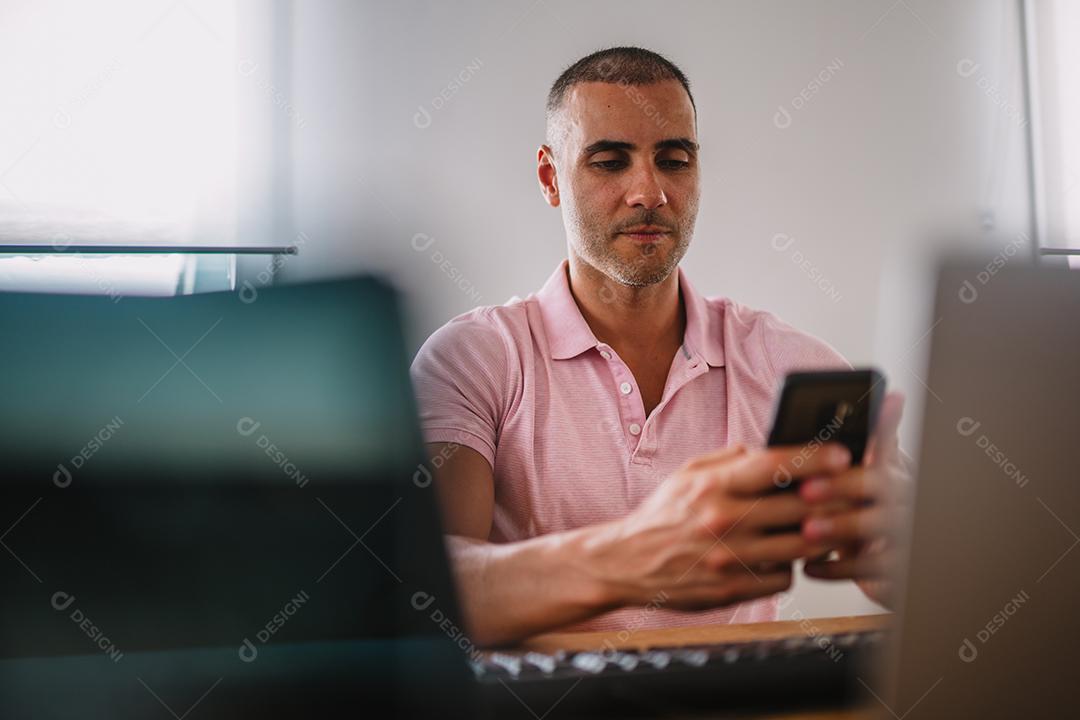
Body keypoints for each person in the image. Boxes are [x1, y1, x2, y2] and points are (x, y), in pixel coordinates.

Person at [410, 47, 910, 647]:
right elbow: (425, 587)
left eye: (674, 160)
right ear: (550, 177)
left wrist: (906, 561)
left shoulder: (792, 366)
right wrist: (635, 557)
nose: (649, 192)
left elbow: (928, 568)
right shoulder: (472, 358)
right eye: (609, 161)